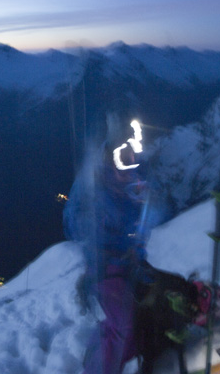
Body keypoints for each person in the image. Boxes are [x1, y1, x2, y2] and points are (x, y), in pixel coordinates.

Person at [63, 115, 149, 374]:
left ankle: (100, 353)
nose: (129, 166)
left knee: (140, 317)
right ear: (109, 157)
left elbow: (140, 228)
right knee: (123, 326)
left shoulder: (132, 187)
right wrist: (97, 245)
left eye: (132, 158)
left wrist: (137, 251)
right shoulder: (94, 185)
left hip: (127, 265)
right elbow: (72, 223)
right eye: (123, 159)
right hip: (104, 268)